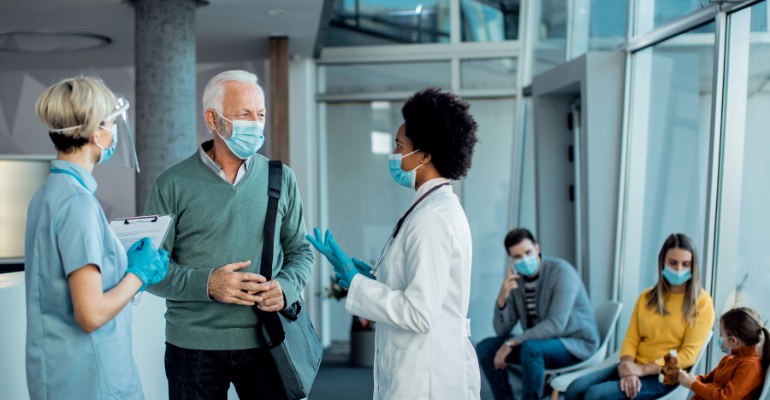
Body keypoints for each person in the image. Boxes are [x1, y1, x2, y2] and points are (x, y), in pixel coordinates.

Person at [143, 70, 314, 400]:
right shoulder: (171, 184)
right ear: (213, 119)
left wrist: (287, 287)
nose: (256, 123)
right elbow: (149, 271)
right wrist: (207, 284)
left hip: (268, 341)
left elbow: (300, 251)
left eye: (260, 115)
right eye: (244, 115)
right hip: (192, 346)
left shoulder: (281, 177)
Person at [307, 87, 481, 399]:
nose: (394, 153)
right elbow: (417, 288)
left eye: (399, 145)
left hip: (427, 377)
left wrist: (359, 283)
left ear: (425, 154)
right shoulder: (428, 208)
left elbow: (419, 314)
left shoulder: (433, 218)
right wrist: (371, 277)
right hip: (419, 366)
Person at [25, 76, 169, 400]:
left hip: (65, 376)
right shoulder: (77, 204)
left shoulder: (49, 194)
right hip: (90, 381)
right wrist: (138, 273)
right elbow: (90, 315)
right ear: (95, 133)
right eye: (113, 123)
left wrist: (126, 270)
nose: (115, 131)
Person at [566, 233, 715, 400]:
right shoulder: (646, 297)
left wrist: (641, 371)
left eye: (685, 264)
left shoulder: (702, 302)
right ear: (662, 262)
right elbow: (631, 339)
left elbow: (688, 355)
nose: (679, 270)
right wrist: (629, 368)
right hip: (634, 366)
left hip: (666, 376)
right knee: (574, 388)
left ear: (693, 266)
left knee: (596, 395)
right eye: (673, 263)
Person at [476, 228, 600, 400]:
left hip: (573, 343)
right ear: (510, 258)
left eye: (528, 252)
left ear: (537, 248)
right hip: (537, 343)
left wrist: (512, 342)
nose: (524, 259)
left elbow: (556, 324)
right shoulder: (515, 281)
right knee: (485, 348)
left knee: (531, 348)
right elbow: (501, 331)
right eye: (517, 256)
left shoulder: (562, 272)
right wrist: (501, 300)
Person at [678, 307, 769, 400]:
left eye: (721, 334)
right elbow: (707, 379)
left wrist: (693, 385)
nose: (720, 337)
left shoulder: (750, 367)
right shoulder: (728, 359)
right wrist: (685, 378)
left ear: (734, 340)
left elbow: (725, 397)